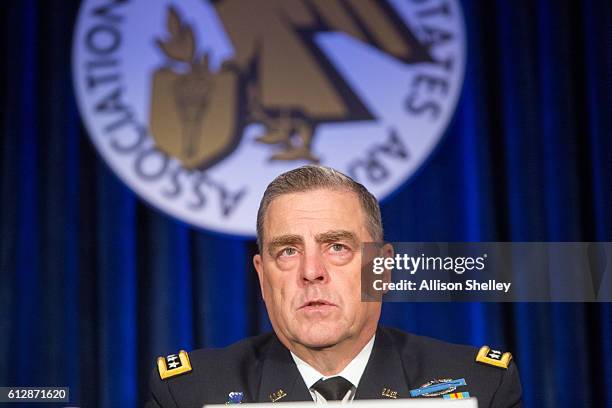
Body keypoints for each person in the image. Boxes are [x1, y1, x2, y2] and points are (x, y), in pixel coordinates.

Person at [146, 165, 522, 408]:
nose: (312, 272)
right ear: (262, 276)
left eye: (337, 247)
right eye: (288, 250)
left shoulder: (480, 386)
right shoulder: (187, 394)